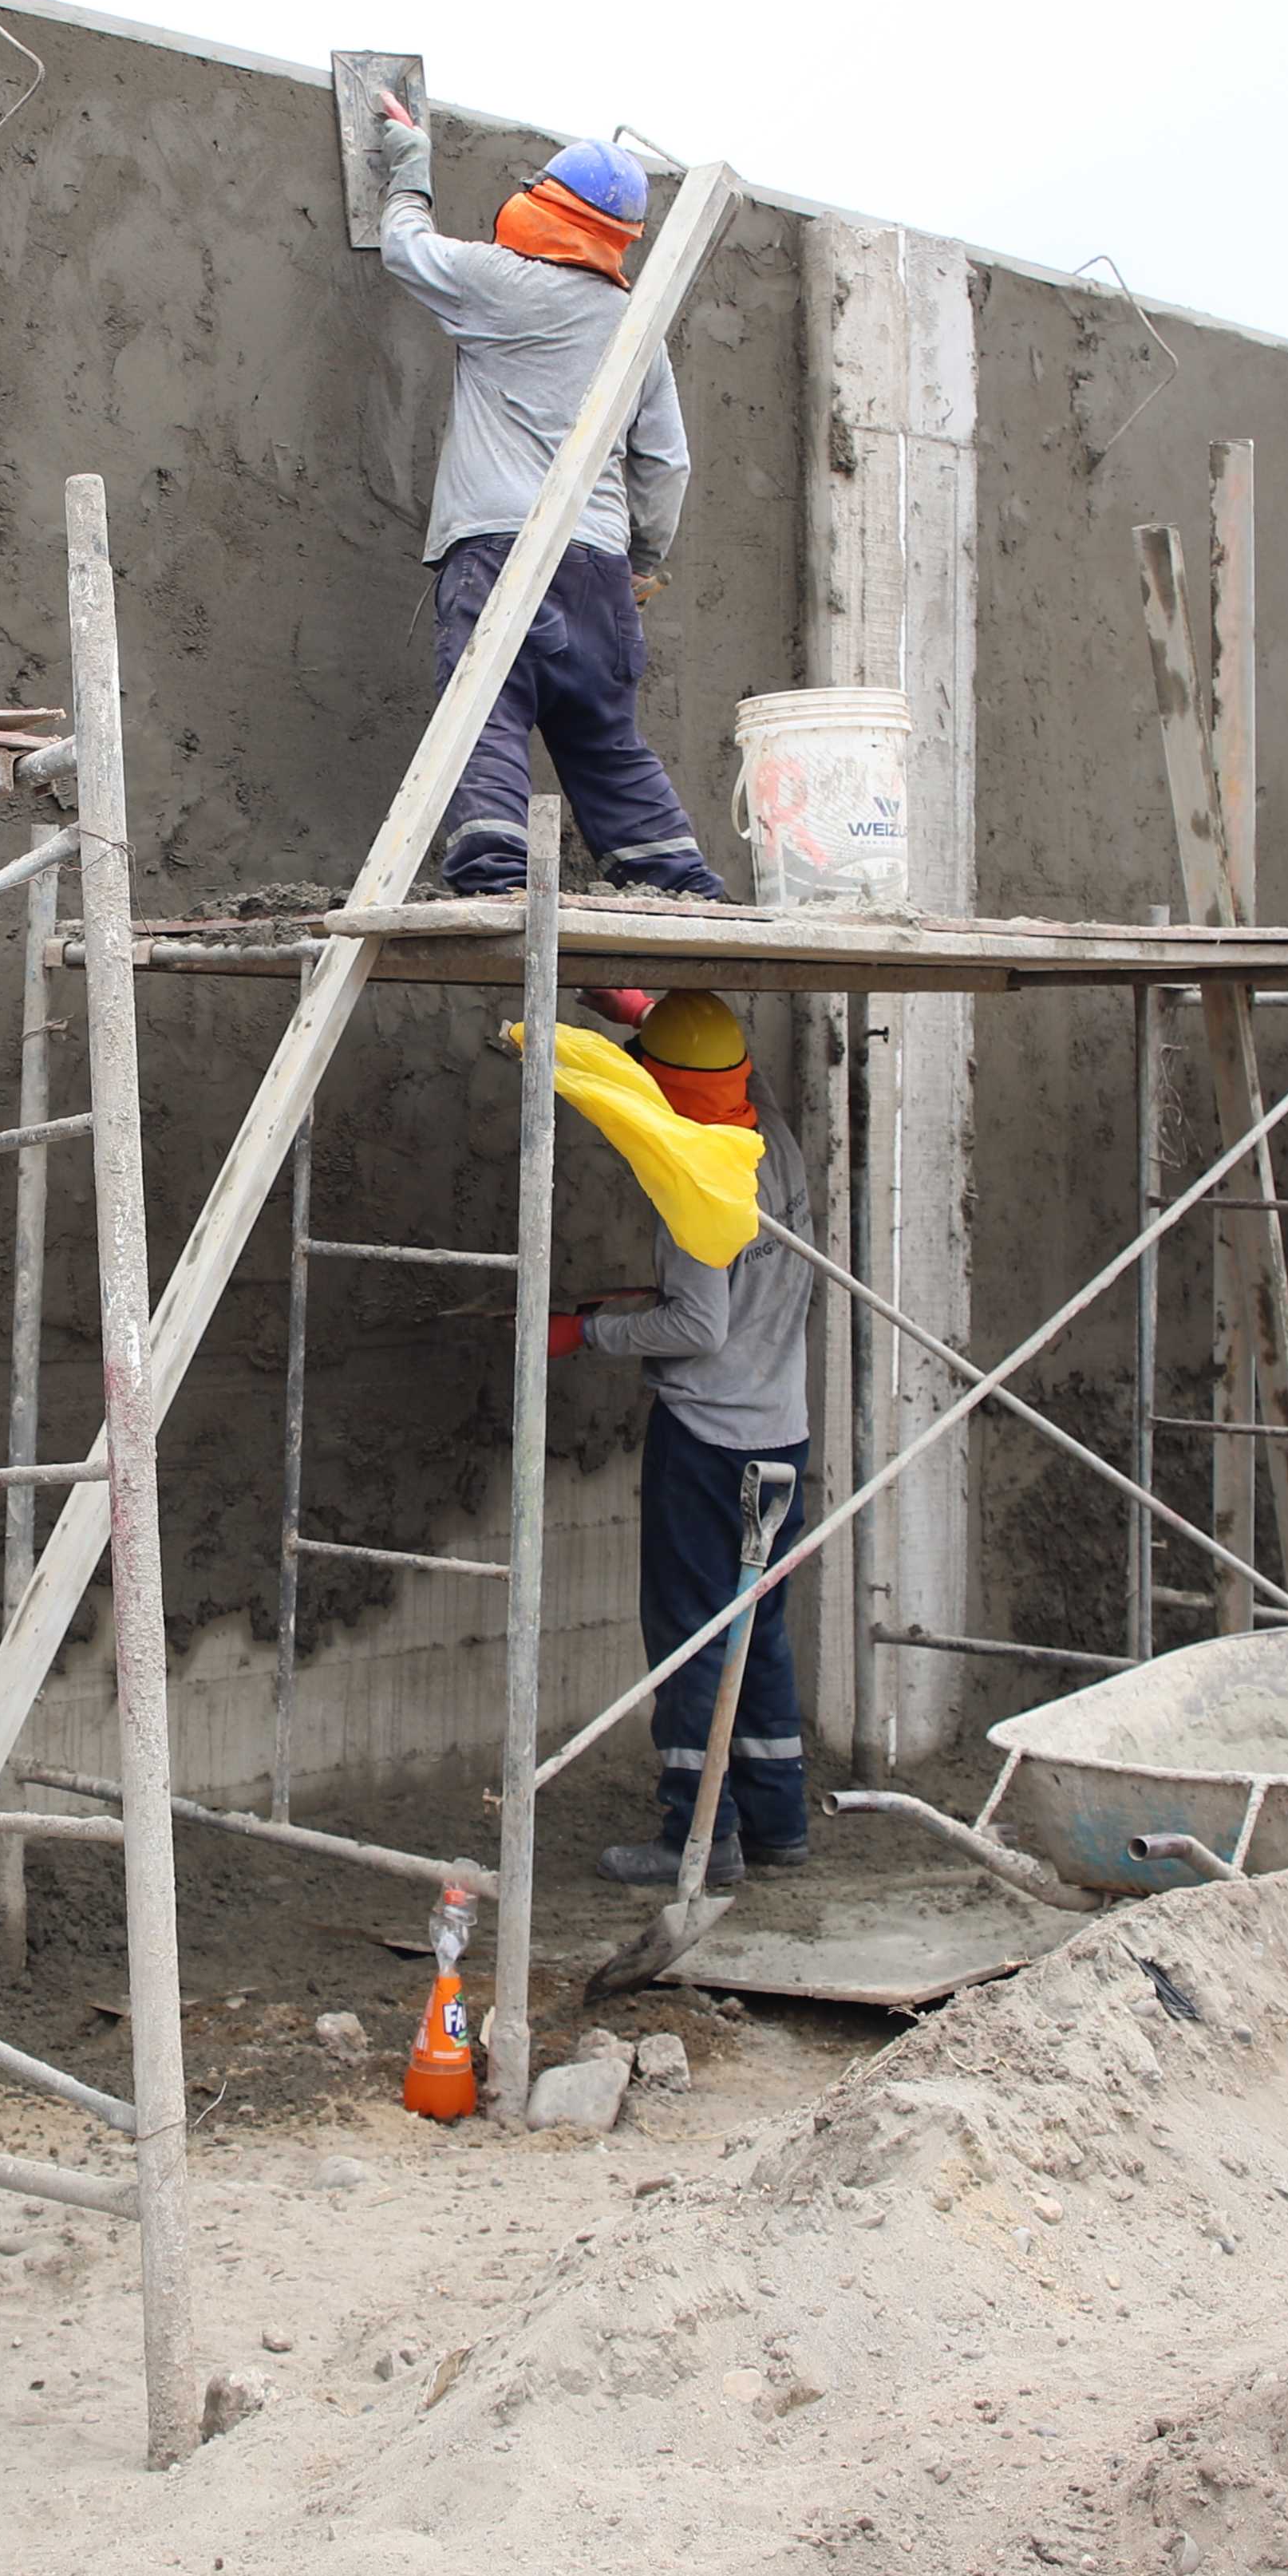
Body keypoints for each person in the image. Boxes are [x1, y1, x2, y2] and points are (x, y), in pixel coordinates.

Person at [365, 98, 725, 901]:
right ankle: (679, 883)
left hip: (502, 550)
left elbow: (405, 247)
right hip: (601, 568)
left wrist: (410, 166)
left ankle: (498, 881)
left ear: (544, 204)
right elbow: (666, 463)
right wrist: (639, 562)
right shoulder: (635, 325)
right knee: (605, 738)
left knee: (486, 710)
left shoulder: (501, 283)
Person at [547, 993, 820, 1885]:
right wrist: (648, 1010)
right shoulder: (770, 1140)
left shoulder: (697, 1185)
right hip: (781, 1437)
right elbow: (737, 1075)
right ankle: (777, 1823)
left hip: (708, 1442)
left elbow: (697, 1326)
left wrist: (585, 1332)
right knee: (756, 1627)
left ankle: (697, 1837)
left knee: (689, 1635)